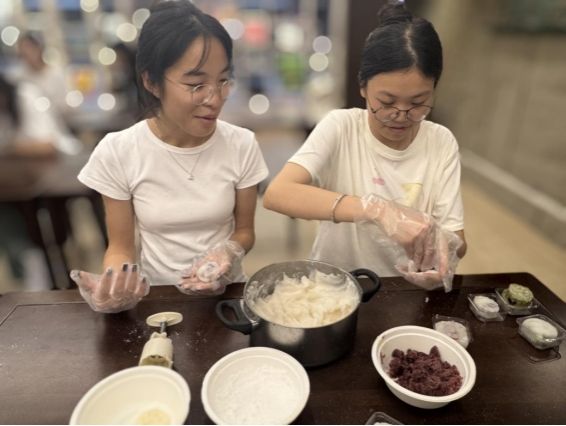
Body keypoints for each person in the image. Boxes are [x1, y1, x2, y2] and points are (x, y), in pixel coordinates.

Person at [70, 0, 268, 313]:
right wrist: (117, 284)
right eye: (196, 84)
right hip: (159, 302)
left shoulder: (241, 144)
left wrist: (228, 252)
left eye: (223, 80)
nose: (214, 99)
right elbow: (120, 248)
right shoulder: (119, 151)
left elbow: (244, 232)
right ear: (151, 82)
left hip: (227, 302)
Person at [263, 2, 467, 291]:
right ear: (363, 87)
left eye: (418, 103)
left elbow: (457, 240)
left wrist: (440, 250)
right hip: (333, 288)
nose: (401, 115)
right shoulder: (341, 126)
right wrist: (378, 210)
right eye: (387, 102)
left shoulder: (440, 141)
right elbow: (278, 194)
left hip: (406, 289)